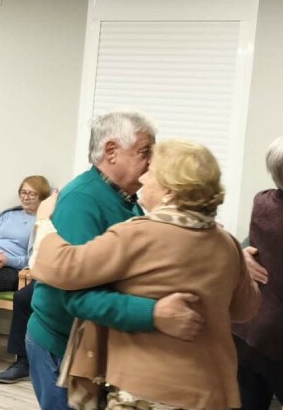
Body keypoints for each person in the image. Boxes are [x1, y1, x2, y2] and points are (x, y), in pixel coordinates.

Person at [30, 139, 261, 409]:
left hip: (149, 390)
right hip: (210, 389)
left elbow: (64, 266)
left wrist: (43, 222)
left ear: (170, 191)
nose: (143, 177)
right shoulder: (227, 243)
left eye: (151, 172)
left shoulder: (139, 234)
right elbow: (246, 309)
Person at [25, 110, 204, 409]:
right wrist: (154, 313)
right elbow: (77, 294)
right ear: (111, 151)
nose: (151, 164)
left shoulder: (126, 200)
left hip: (96, 347)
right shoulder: (82, 200)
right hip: (61, 344)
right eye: (144, 152)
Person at [232, 136, 283, 409]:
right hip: (274, 338)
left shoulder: (263, 201)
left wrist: (242, 253)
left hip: (247, 330)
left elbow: (255, 240)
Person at [0, 175, 51, 296]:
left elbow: (33, 259)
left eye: (32, 194)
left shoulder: (42, 223)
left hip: (11, 271)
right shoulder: (8, 215)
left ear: (42, 197)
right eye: (23, 192)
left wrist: (6, 261)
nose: (26, 197)